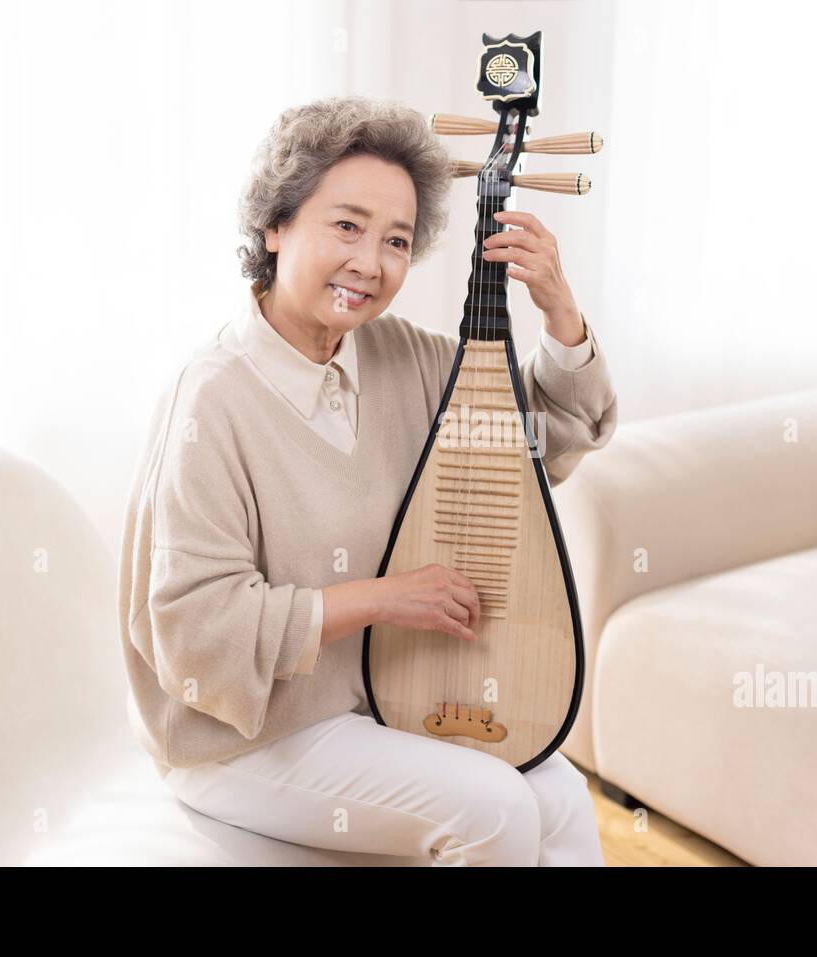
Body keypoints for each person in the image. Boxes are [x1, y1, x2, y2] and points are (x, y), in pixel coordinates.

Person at [117, 94, 618, 866]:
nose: (371, 263)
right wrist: (386, 597)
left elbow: (542, 440)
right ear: (276, 226)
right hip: (239, 737)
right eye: (346, 226)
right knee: (495, 809)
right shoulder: (213, 398)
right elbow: (195, 630)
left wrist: (559, 311)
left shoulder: (401, 358)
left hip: (369, 704)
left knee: (558, 791)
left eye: (395, 240)